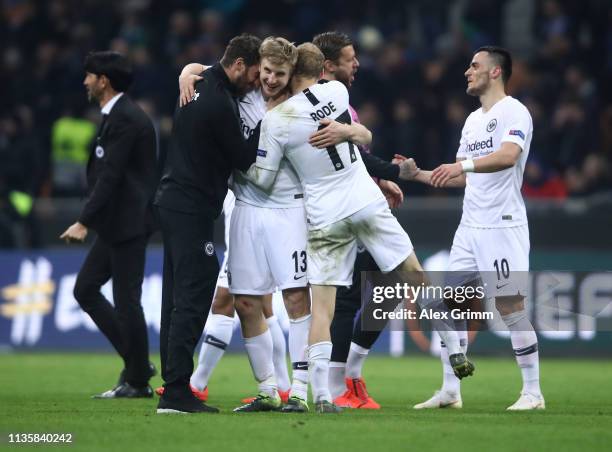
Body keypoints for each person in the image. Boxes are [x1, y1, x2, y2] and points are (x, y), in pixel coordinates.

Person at [247, 43, 474, 413]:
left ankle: (321, 394)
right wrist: (350, 132)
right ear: (323, 67)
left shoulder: (276, 121)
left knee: (324, 309)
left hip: (325, 215)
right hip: (365, 199)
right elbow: (365, 137)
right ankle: (453, 351)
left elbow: (263, 179)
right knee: (415, 275)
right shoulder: (337, 92)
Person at [407, 46, 544, 411]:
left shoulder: (514, 111)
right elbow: (460, 176)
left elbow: (507, 157)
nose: (468, 71)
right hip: (469, 226)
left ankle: (533, 392)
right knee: (453, 306)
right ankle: (451, 390)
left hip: (502, 224)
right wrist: (418, 174)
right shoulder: (471, 121)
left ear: (496, 72)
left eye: (475, 66)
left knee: (510, 306)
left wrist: (463, 166)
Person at [153, 33, 261, 414]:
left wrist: (188, 67)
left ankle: (173, 384)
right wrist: (270, 124)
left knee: (176, 295)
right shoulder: (218, 103)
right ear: (237, 65)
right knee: (196, 290)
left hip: (173, 201)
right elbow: (245, 158)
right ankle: (178, 388)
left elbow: (204, 68)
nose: (256, 81)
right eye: (253, 74)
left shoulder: (201, 82)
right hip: (190, 206)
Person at [310, 31, 406, 409]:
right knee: (343, 295)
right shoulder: (316, 102)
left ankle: (348, 375)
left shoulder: (343, 102)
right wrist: (392, 173)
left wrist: (379, 179)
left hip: (359, 200)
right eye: (351, 58)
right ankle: (333, 382)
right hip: (334, 210)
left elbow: (353, 156)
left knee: (388, 283)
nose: (357, 64)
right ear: (328, 65)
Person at [60, 51, 157, 398]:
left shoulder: (126, 118)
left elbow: (111, 176)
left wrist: (84, 221)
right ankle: (137, 366)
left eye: (89, 75)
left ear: (104, 80)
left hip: (128, 222)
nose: (84, 81)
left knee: (127, 300)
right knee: (85, 289)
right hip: (118, 223)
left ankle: (137, 379)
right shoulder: (116, 115)